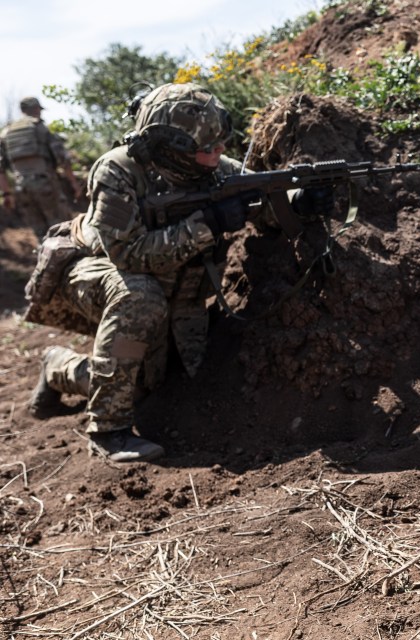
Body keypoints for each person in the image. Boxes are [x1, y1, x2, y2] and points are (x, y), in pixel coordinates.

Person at [23, 82, 329, 463]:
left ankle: (58, 366)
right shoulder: (118, 171)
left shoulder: (214, 169)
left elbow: (260, 198)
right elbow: (127, 254)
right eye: (209, 148)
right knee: (139, 297)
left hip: (175, 297)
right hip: (95, 275)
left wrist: (300, 201)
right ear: (174, 148)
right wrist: (208, 224)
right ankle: (109, 431)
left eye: (222, 143)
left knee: (142, 385)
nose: (220, 152)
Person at [0, 96, 84, 239]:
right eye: (39, 109)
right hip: (45, 185)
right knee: (62, 231)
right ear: (36, 109)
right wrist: (74, 183)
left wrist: (7, 193)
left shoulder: (6, 133)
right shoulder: (40, 128)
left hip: (22, 188)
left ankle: (46, 258)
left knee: (41, 234)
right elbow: (63, 158)